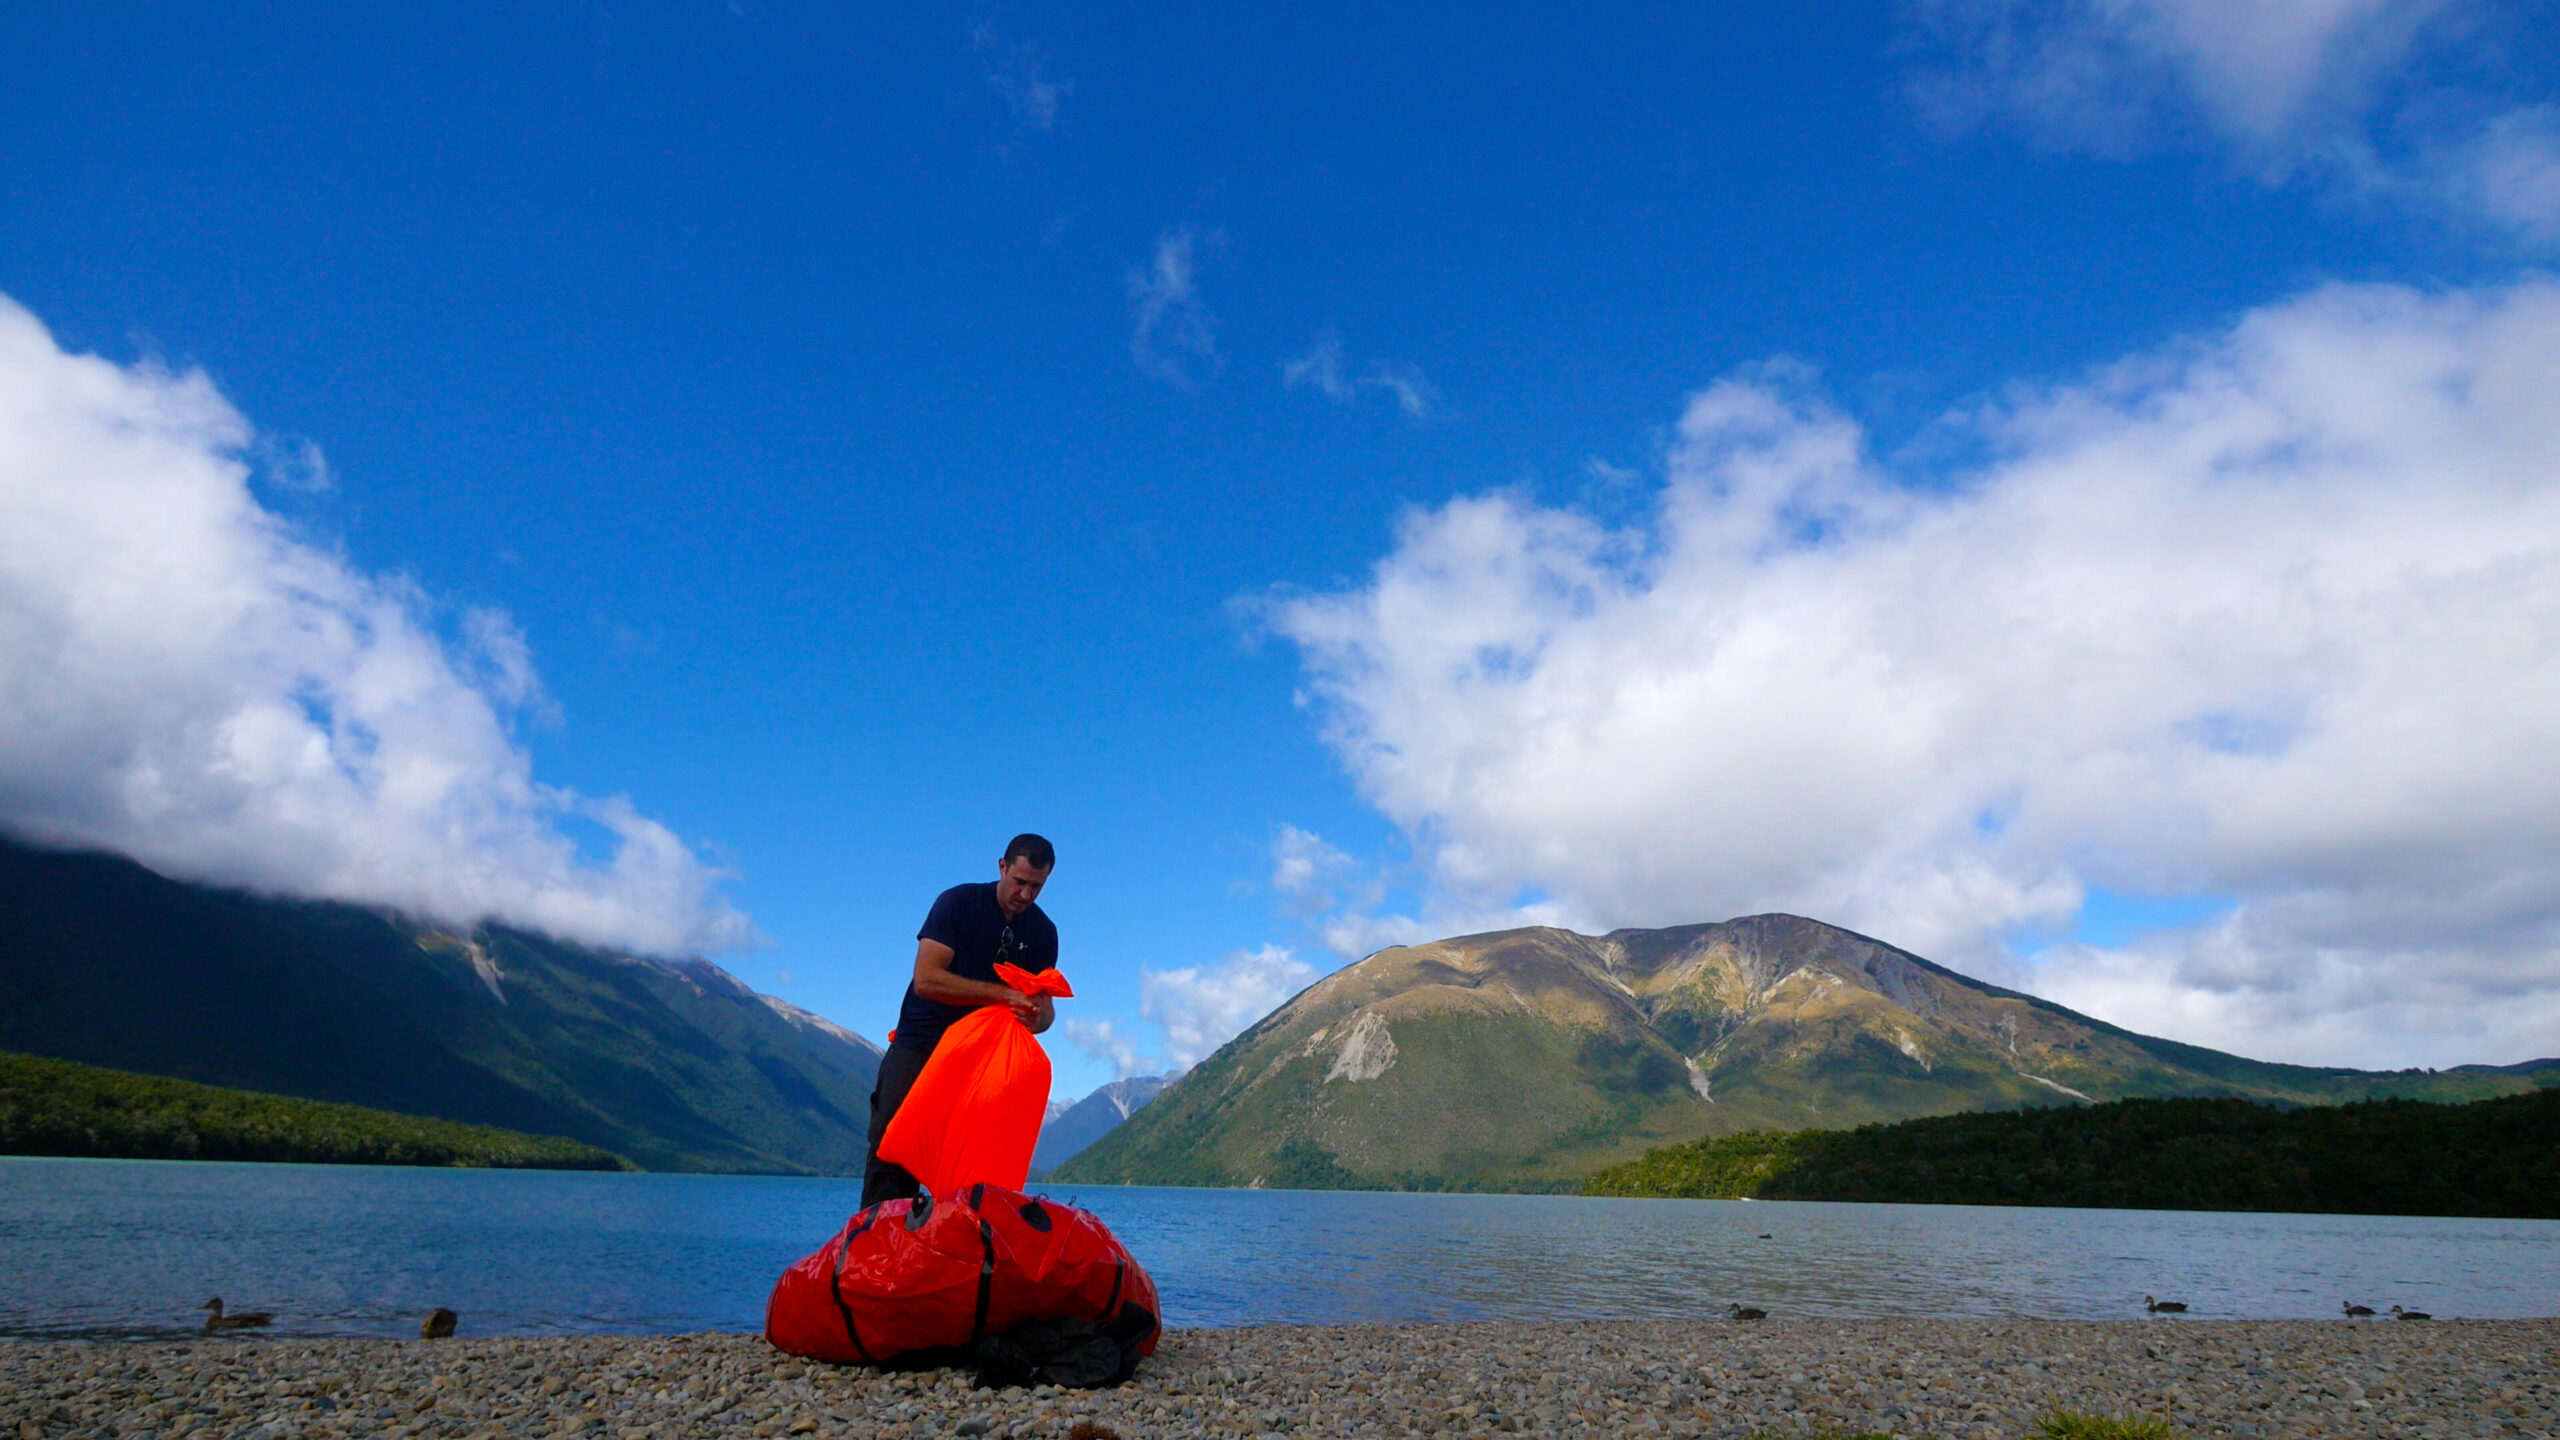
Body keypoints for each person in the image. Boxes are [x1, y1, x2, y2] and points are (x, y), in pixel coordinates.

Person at [860, 833, 1060, 1209]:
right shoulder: (959, 902)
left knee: (973, 1167)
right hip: (922, 1042)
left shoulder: (1043, 932)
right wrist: (1003, 994)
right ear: (1002, 867)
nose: (1026, 895)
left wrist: (1038, 1016)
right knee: (891, 1146)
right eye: (1020, 882)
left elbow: (1044, 1011)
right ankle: (875, 1248)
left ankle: (958, 1247)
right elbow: (927, 979)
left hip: (981, 1062)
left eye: (1037, 887)